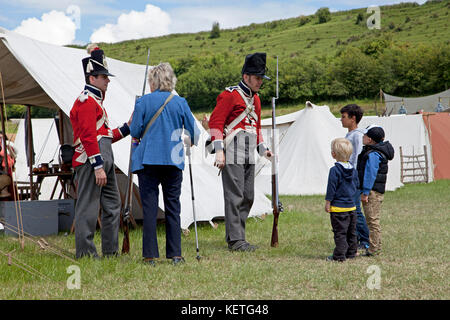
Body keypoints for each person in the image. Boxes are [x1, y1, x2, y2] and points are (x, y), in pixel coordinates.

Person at [130, 62, 200, 266]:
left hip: (148, 161)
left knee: (150, 210)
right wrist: (188, 142)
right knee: (173, 207)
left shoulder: (143, 102)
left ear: (154, 81)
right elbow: (194, 133)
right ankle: (175, 254)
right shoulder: (181, 102)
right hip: (173, 160)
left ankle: (150, 256)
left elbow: (135, 132)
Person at [70, 44, 131, 259]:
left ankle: (111, 251)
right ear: (92, 78)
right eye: (103, 76)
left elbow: (103, 136)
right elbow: (87, 136)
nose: (108, 80)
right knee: (88, 207)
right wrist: (97, 167)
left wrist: (127, 128)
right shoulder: (86, 101)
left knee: (113, 205)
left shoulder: (97, 103)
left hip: (103, 159)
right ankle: (86, 253)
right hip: (90, 162)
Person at [208, 52, 272, 252]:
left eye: (262, 78)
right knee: (234, 195)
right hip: (233, 146)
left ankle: (237, 236)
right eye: (257, 78)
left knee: (248, 195)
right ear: (246, 77)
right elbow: (216, 123)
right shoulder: (230, 95)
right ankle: (236, 241)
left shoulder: (257, 100)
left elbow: (257, 127)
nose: (260, 82)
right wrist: (219, 151)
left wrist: (264, 150)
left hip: (249, 148)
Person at [357, 125, 394, 257]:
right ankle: (375, 247)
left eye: (365, 135)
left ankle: (374, 249)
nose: (363, 137)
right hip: (375, 191)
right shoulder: (376, 151)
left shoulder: (373, 154)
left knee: (372, 221)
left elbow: (370, 174)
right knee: (373, 220)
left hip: (372, 191)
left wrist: (365, 192)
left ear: (370, 140)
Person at [339, 104, 370, 252]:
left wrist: (351, 176)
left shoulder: (357, 135)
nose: (341, 120)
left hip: (354, 177)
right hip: (349, 176)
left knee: (355, 210)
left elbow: (356, 158)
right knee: (351, 209)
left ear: (353, 118)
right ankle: (355, 237)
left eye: (344, 117)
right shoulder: (349, 135)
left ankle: (365, 239)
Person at [325, 138, 359, 262]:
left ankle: (339, 255)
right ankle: (351, 252)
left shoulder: (334, 171)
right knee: (351, 232)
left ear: (333, 154)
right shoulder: (353, 171)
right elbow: (356, 185)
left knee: (340, 233)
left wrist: (328, 202)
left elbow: (331, 188)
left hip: (338, 208)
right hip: (351, 207)